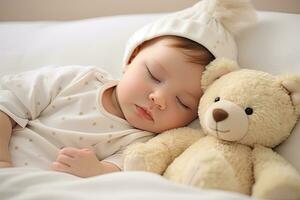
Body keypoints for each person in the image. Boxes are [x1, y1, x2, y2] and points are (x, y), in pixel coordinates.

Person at [0, 0, 256, 177]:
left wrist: (98, 171)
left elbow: (126, 169)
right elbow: (7, 101)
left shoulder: (146, 140)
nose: (159, 99)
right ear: (131, 59)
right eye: (154, 75)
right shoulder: (78, 80)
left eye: (182, 102)